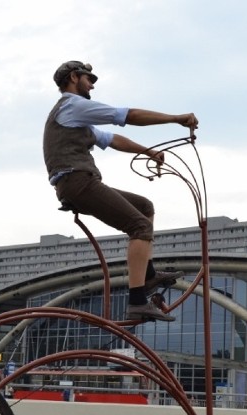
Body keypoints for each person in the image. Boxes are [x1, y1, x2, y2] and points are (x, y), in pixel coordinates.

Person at [43, 60, 199, 322]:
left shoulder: (76, 119)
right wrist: (175, 119)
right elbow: (127, 116)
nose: (92, 84)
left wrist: (148, 151)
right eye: (89, 78)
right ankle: (137, 300)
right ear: (73, 77)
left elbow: (112, 139)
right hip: (77, 181)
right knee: (139, 227)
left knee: (144, 207)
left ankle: (147, 276)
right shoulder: (73, 105)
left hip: (78, 181)